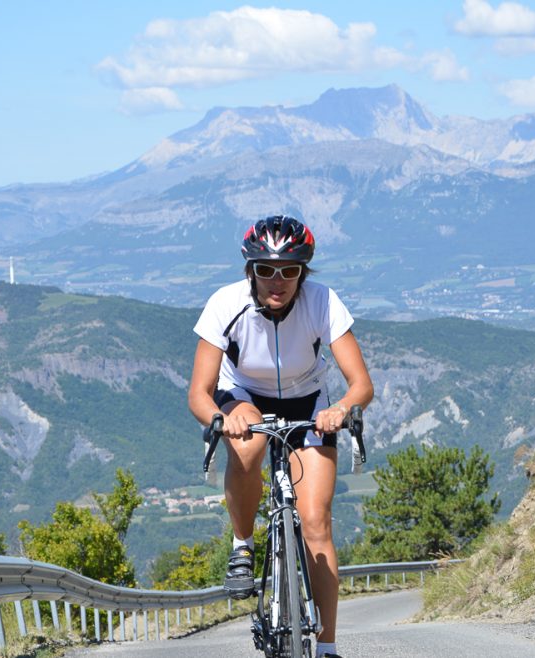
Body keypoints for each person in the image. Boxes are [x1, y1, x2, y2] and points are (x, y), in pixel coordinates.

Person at [188, 215, 374, 658]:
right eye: (266, 270)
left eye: (289, 270)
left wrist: (341, 410)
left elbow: (361, 384)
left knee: (315, 523)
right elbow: (198, 392)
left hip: (309, 403)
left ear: (302, 272)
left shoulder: (322, 302)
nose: (278, 280)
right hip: (242, 395)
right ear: (250, 270)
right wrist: (220, 417)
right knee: (248, 442)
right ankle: (242, 544)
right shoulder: (224, 304)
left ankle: (326, 647)